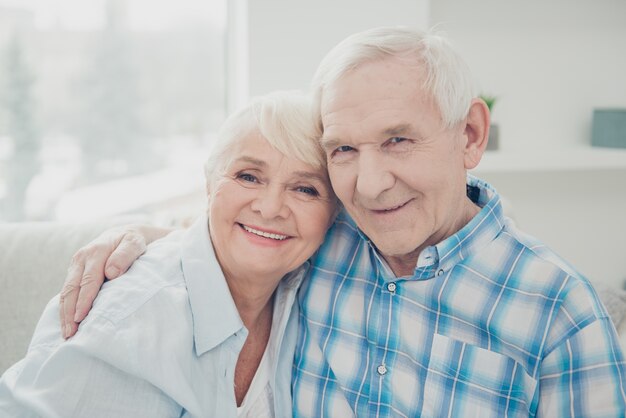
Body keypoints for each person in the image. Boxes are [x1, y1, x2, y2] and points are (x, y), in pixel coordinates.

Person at [58, 27, 625, 417]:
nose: (370, 184)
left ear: (470, 135)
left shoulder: (560, 312)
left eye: (397, 140)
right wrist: (135, 235)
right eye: (343, 150)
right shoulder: (327, 235)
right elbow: (241, 223)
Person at [0, 91, 337, 417]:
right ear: (208, 184)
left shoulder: (305, 289)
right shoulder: (129, 323)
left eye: (305, 189)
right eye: (248, 176)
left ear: (335, 215)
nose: (270, 207)